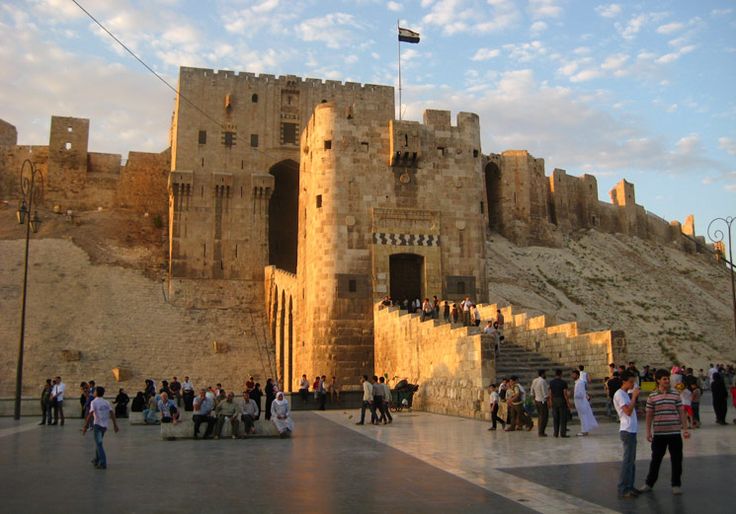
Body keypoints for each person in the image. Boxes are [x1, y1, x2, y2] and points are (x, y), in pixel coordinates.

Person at [638, 369, 690, 495]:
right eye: (664, 379)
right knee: (656, 459)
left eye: (668, 378)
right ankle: (649, 483)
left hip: (674, 433)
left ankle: (676, 485)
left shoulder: (675, 395)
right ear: (658, 381)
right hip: (659, 434)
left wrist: (685, 429)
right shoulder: (652, 396)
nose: (667, 381)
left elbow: (681, 413)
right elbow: (649, 415)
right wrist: (648, 432)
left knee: (677, 460)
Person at [613, 371, 641, 499]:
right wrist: (634, 397)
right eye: (631, 381)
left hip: (632, 429)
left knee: (631, 461)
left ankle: (630, 486)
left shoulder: (625, 394)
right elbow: (627, 412)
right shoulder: (620, 394)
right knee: (627, 461)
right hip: (627, 430)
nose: (633, 384)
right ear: (624, 381)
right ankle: (623, 488)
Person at [82, 386, 119, 470]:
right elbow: (112, 413)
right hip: (104, 426)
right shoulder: (106, 402)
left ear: (96, 393)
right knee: (98, 443)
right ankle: (96, 459)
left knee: (99, 444)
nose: (93, 392)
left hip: (97, 426)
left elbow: (90, 414)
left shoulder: (94, 402)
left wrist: (85, 426)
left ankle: (103, 463)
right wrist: (115, 425)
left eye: (94, 391)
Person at [573, 369, 598, 436]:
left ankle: (584, 431)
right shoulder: (578, 383)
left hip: (581, 403)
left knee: (583, 417)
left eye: (574, 374)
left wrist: (574, 394)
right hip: (580, 403)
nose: (572, 376)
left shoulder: (580, 383)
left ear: (577, 375)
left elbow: (581, 394)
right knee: (583, 417)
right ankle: (585, 430)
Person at [549, 369, 571, 437]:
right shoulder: (563, 382)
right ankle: (563, 433)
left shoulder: (551, 382)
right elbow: (565, 393)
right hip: (561, 400)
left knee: (555, 418)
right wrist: (568, 402)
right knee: (563, 418)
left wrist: (550, 401)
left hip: (554, 400)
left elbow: (550, 393)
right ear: (561, 374)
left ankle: (555, 433)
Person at [531, 369, 550, 437]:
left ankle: (540, 430)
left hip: (537, 400)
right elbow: (545, 393)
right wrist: (549, 401)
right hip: (542, 401)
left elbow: (532, 391)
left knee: (540, 416)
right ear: (542, 374)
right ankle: (541, 432)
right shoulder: (543, 381)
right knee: (544, 417)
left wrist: (534, 399)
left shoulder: (534, 380)